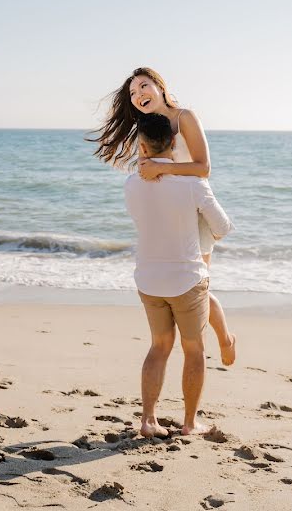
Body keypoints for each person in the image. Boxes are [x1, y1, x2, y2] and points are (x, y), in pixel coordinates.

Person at [88, 67, 237, 366]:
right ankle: (208, 338)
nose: (138, 95)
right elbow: (148, 166)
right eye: (132, 93)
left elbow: (203, 168)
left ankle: (224, 338)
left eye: (143, 86)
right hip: (167, 212)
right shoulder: (148, 126)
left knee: (199, 285)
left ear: (160, 86)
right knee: (185, 285)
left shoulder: (185, 118)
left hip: (196, 211)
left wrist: (162, 169)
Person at [124, 112, 234, 437]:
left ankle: (148, 421)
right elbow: (223, 228)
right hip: (187, 280)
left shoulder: (131, 185)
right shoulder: (193, 185)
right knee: (193, 348)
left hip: (148, 279)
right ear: (174, 142)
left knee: (158, 346)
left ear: (141, 148)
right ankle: (189, 424)